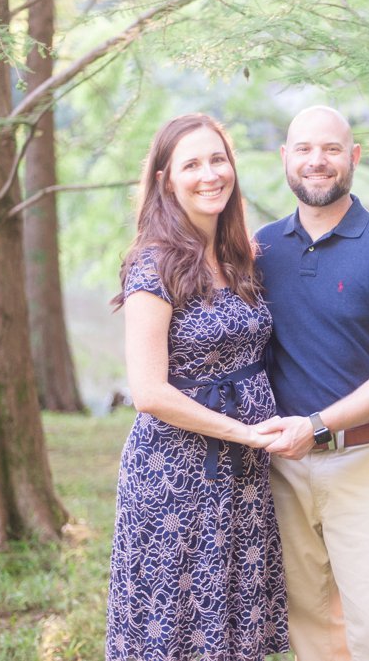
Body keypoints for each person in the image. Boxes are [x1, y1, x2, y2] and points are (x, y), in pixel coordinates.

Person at [253, 106, 369, 661]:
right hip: (283, 468)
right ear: (285, 159)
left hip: (366, 463)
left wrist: (319, 425)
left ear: (353, 157)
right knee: (312, 631)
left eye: (331, 149)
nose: (317, 161)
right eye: (304, 149)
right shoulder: (259, 249)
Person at [106, 113, 288, 661]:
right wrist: (247, 433)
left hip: (245, 480)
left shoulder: (238, 256)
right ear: (165, 179)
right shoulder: (153, 264)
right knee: (177, 629)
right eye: (191, 164)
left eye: (218, 159)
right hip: (175, 481)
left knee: (232, 624)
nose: (209, 174)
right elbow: (149, 392)